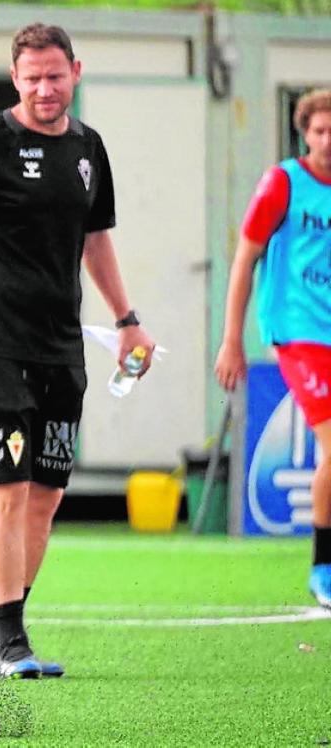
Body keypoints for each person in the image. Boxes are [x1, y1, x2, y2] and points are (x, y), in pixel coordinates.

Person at [0, 23, 156, 680]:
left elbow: (96, 239)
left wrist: (127, 320)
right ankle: (9, 633)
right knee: (10, 489)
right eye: (32, 78)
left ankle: (0, 631)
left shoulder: (88, 149)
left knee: (46, 493)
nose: (45, 88)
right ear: (16, 79)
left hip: (62, 348)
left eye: (55, 75)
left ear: (76, 70)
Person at [215, 88, 331, 608]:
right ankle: (323, 568)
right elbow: (244, 260)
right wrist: (232, 339)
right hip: (299, 332)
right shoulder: (283, 182)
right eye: (319, 131)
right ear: (304, 134)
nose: (327, 141)